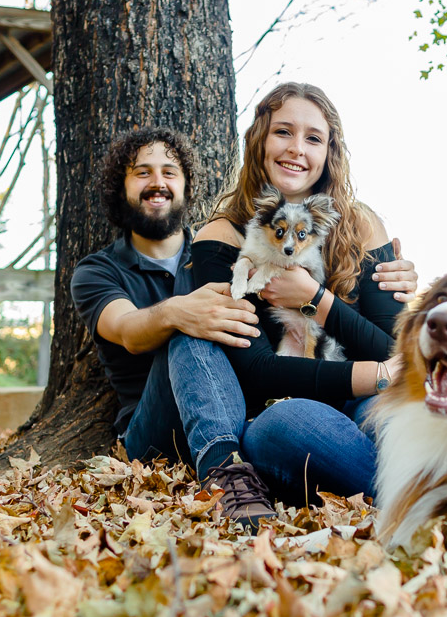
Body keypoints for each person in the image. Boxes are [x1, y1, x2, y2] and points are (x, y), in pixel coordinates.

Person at [70, 125, 416, 524]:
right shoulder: (98, 270)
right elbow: (128, 330)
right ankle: (226, 474)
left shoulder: (222, 251)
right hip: (159, 427)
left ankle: (414, 479)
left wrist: (389, 274)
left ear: (185, 185)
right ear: (121, 187)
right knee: (194, 330)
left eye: (169, 171)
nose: (158, 182)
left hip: (245, 414)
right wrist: (177, 311)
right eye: (142, 172)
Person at [192, 81, 418, 505]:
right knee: (286, 425)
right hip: (283, 408)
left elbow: (393, 347)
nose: (297, 148)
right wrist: (382, 375)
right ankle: (415, 498)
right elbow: (254, 369)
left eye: (313, 138)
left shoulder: (361, 227)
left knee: (399, 418)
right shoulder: (221, 237)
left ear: (327, 154)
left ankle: (429, 491)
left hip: (366, 402)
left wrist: (316, 299)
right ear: (259, 141)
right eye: (283, 132)